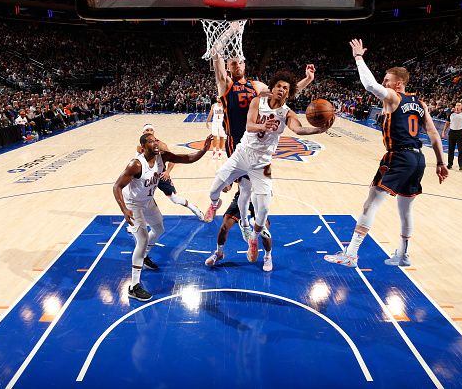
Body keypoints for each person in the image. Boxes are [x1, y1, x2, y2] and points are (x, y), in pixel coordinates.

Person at [325, 39, 448, 268]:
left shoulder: (394, 97)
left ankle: (351, 254)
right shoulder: (420, 103)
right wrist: (441, 163)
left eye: (387, 80)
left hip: (398, 157)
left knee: (371, 204)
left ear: (398, 83)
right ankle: (403, 255)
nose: (384, 83)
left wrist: (358, 58)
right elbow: (433, 134)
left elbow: (370, 85)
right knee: (406, 209)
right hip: (418, 159)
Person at [203, 21, 315, 253]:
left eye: (239, 61)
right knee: (232, 189)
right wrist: (231, 31)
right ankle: (233, 215)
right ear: (228, 66)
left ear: (244, 64)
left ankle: (247, 227)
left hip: (258, 145)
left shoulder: (257, 86)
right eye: (231, 62)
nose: (235, 64)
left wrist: (307, 81)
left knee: (245, 191)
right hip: (237, 145)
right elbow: (215, 53)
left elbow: (284, 93)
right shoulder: (225, 85)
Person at [205, 71, 328, 271]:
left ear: (288, 94)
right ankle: (214, 203)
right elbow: (249, 125)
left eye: (286, 88)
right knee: (214, 190)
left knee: (262, 214)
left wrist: (318, 130)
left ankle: (253, 239)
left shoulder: (287, 113)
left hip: (262, 164)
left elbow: (298, 129)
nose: (281, 89)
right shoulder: (257, 101)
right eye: (279, 86)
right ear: (272, 87)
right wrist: (264, 125)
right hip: (242, 155)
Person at [113, 133, 213, 302]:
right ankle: (134, 286)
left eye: (156, 139)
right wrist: (124, 209)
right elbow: (117, 186)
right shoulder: (136, 165)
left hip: (148, 201)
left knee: (159, 228)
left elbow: (187, 158)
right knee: (142, 239)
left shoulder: (162, 157)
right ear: (143, 148)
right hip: (133, 204)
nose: (156, 142)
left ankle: (144, 256)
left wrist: (203, 150)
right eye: (151, 141)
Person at [137, 124, 204, 220]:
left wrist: (167, 172)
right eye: (147, 130)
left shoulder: (161, 145)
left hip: (160, 174)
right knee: (140, 199)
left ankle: (194, 209)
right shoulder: (139, 147)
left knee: (175, 199)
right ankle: (138, 222)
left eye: (151, 130)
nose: (149, 131)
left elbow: (172, 159)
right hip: (147, 176)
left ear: (154, 132)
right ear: (143, 132)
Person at [442, 102, 462, 171]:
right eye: (457, 105)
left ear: (461, 107)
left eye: (459, 105)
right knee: (450, 149)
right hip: (452, 132)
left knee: (460, 150)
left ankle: (461, 166)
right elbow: (447, 123)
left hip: (460, 133)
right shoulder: (451, 114)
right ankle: (450, 164)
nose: (457, 106)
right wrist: (444, 131)